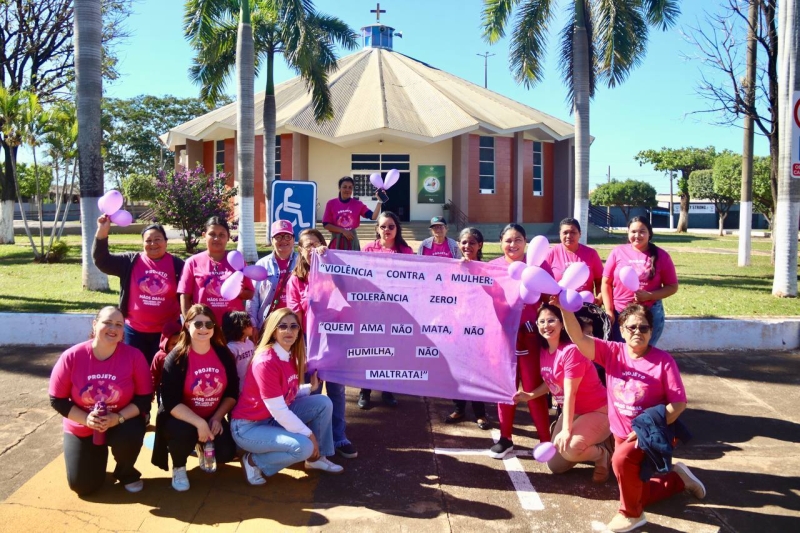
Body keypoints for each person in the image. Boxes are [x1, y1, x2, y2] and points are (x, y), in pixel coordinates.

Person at [555, 299, 706, 532]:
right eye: (632, 327)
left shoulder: (663, 362)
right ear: (622, 331)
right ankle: (678, 479)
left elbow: (678, 404)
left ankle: (631, 515)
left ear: (651, 331)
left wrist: (647, 427)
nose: (638, 332)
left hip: (649, 433)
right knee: (637, 493)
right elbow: (579, 338)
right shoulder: (612, 352)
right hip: (620, 433)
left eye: (644, 327)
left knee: (620, 461)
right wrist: (565, 309)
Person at [231, 308, 343, 484]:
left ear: (299, 331)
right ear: (273, 331)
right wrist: (309, 435)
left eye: (293, 326)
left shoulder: (288, 354)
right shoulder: (266, 361)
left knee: (323, 402)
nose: (289, 331)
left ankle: (316, 459)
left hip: (270, 418)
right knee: (303, 446)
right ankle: (253, 461)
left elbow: (284, 392)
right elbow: (279, 411)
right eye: (282, 326)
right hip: (249, 428)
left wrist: (310, 388)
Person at [48, 306, 153, 496]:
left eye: (119, 324)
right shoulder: (72, 356)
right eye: (107, 322)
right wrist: (86, 419)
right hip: (83, 425)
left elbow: (144, 398)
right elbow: (57, 399)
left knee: (130, 434)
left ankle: (125, 471)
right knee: (83, 487)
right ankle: (96, 455)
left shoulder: (134, 356)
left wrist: (117, 418)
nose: (113, 328)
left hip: (121, 421)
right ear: (95, 324)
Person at [512, 303, 611, 482]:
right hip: (574, 411)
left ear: (562, 324)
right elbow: (552, 381)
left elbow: (570, 393)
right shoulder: (545, 350)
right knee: (555, 466)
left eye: (551, 320)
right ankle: (585, 440)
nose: (546, 325)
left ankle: (602, 454)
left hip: (599, 411)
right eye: (541, 321)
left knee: (570, 448)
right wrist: (530, 395)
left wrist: (566, 430)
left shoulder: (572, 351)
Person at [287, 228, 358, 459]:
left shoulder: (335, 272)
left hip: (335, 340)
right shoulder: (296, 280)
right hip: (309, 344)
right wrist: (301, 350)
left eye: (316, 244)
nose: (312, 249)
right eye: (307, 245)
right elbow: (295, 318)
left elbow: (348, 296)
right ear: (300, 250)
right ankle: (313, 440)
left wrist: (329, 263)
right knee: (312, 392)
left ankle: (339, 437)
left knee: (337, 390)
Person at [152, 304, 239, 492]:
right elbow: (170, 402)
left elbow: (232, 392)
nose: (204, 329)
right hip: (181, 417)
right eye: (198, 324)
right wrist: (200, 423)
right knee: (183, 434)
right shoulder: (176, 358)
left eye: (209, 324)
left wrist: (216, 418)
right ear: (187, 325)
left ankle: (201, 445)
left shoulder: (223, 354)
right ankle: (179, 467)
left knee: (226, 453)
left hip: (212, 414)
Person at [487, 224, 552, 458]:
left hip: (532, 338)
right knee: (507, 388)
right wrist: (464, 266)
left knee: (534, 389)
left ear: (526, 242)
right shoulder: (492, 267)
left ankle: (545, 439)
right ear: (500, 242)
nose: (513, 244)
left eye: (518, 240)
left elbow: (550, 299)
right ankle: (505, 438)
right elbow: (473, 294)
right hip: (504, 339)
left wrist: (542, 324)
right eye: (508, 240)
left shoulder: (538, 266)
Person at [93, 218, 184, 365]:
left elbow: (189, 291)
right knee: (133, 369)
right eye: (148, 241)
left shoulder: (178, 265)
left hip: (167, 333)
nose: (153, 244)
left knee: (163, 371)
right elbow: (102, 261)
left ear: (166, 242)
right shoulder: (130, 261)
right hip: (134, 331)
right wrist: (102, 231)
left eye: (157, 239)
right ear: (142, 244)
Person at [358, 211, 414, 409]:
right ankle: (365, 390)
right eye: (383, 226)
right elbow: (359, 276)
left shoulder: (405, 251)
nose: (387, 230)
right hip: (371, 309)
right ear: (377, 229)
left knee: (391, 350)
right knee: (369, 349)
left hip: (396, 310)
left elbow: (414, 279)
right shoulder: (368, 249)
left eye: (391, 226)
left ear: (397, 228)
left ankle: (387, 389)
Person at [602, 216, 678, 346]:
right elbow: (606, 283)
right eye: (633, 231)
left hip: (649, 312)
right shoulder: (618, 252)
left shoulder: (662, 256)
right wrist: (609, 310)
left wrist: (650, 296)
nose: (637, 235)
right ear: (628, 233)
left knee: (644, 352)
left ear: (649, 233)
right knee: (620, 351)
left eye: (642, 231)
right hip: (619, 312)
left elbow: (672, 286)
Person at [443, 227, 490, 430]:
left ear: (480, 245)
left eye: (472, 242)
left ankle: (480, 413)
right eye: (463, 242)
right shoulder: (452, 268)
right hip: (457, 327)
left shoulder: (488, 269)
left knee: (476, 371)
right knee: (458, 370)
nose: (467, 246)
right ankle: (459, 408)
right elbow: (445, 294)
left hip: (479, 329)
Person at [178, 216, 254, 325]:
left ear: (228, 237)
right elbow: (185, 296)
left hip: (233, 326)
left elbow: (250, 294)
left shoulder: (237, 261)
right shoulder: (192, 262)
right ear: (204, 235)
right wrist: (189, 323)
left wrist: (240, 292)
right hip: (204, 326)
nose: (217, 238)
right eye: (212, 234)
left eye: (221, 235)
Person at [249, 220, 299, 334]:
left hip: (295, 323)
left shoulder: (302, 262)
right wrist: (253, 324)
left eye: (287, 236)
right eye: (278, 237)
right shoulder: (262, 264)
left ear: (293, 239)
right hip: (268, 323)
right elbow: (253, 298)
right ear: (272, 240)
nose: (283, 241)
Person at [545, 218, 604, 301]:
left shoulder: (591, 254)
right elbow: (544, 281)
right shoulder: (551, 253)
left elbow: (600, 281)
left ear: (580, 234)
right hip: (557, 304)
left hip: (585, 304)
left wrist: (599, 298)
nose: (569, 236)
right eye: (565, 233)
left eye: (573, 232)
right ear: (560, 234)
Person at [322, 176, 382, 251]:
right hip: (336, 242)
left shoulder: (358, 204)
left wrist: (379, 201)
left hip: (352, 241)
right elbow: (326, 224)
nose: (347, 190)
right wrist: (343, 231)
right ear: (339, 188)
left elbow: (373, 217)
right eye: (344, 187)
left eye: (350, 187)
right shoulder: (331, 203)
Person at [223, 311, 255, 392]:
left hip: (250, 385)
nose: (252, 326)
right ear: (241, 326)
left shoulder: (250, 343)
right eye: (249, 324)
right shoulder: (231, 348)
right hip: (238, 389)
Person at [150, 321, 182, 402]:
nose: (177, 347)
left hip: (181, 389)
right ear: (166, 343)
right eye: (173, 344)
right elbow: (154, 374)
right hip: (163, 389)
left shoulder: (185, 354)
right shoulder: (159, 356)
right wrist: (151, 391)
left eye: (180, 343)